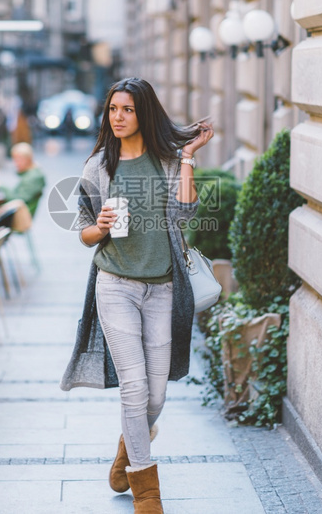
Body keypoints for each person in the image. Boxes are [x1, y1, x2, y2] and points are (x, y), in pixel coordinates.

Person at [60, 77, 214, 513]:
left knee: (156, 395)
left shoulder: (165, 161)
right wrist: (102, 226)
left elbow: (185, 213)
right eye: (113, 110)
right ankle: (147, 493)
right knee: (133, 386)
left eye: (127, 109)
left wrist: (186, 158)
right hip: (115, 286)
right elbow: (85, 235)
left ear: (143, 113)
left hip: (163, 287)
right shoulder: (97, 168)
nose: (119, 117)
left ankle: (130, 448)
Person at [0, 143, 46, 216]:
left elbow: (17, 199)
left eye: (18, 160)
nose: (16, 163)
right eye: (15, 160)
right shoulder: (31, 174)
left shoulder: (34, 177)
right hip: (17, 213)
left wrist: (0, 186)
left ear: (28, 159)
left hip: (18, 216)